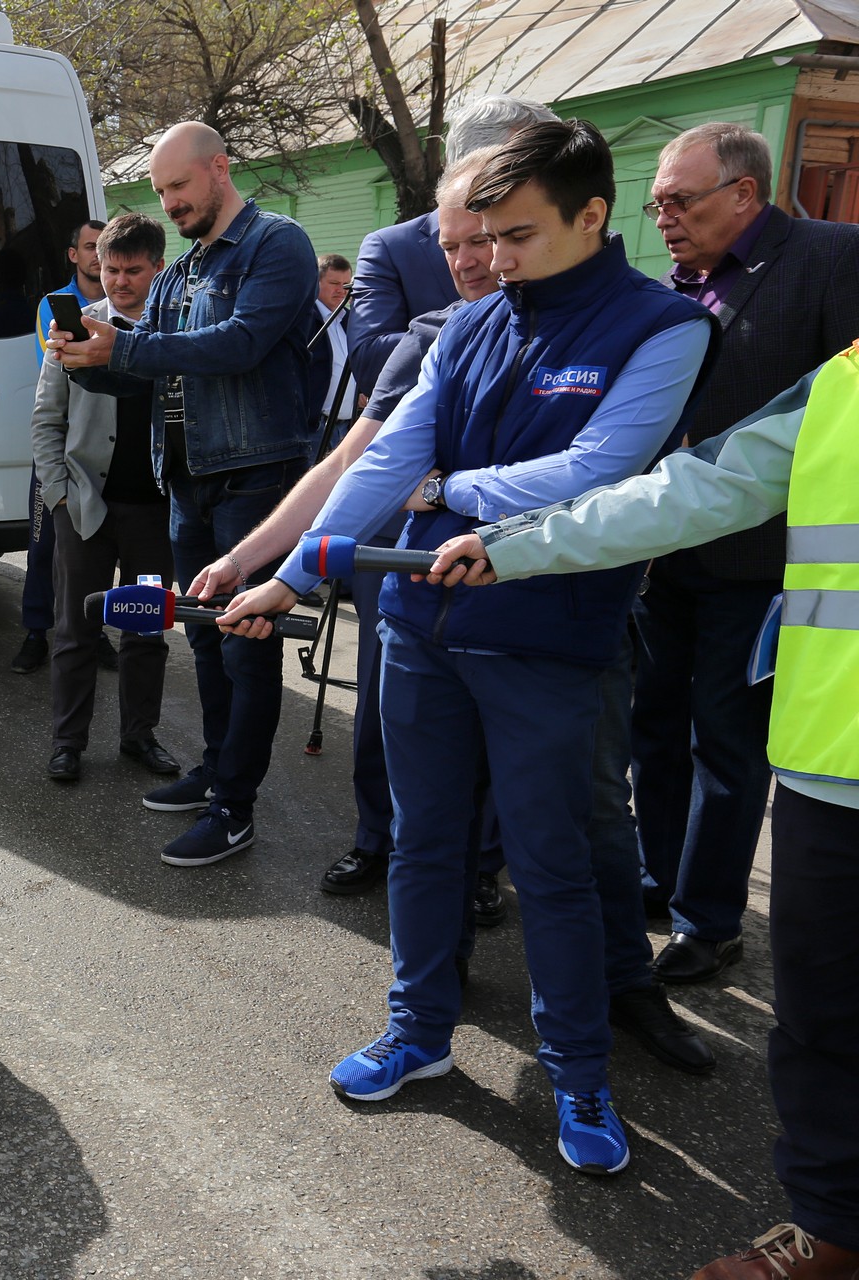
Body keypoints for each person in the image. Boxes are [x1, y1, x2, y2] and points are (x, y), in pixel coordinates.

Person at [219, 120, 715, 1172]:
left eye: (519, 235)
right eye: (483, 235)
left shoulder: (662, 326)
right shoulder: (472, 324)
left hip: (546, 641)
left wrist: (448, 490)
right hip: (419, 633)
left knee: (554, 865)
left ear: (594, 216)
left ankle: (579, 1073)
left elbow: (601, 469)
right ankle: (420, 1033)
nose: (494, 258)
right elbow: (386, 457)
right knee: (425, 844)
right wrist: (295, 572)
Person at [424, 345, 859, 1277]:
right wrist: (517, 544)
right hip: (837, 767)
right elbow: (690, 491)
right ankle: (831, 1231)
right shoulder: (843, 379)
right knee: (824, 1016)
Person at [316, 94, 560, 919]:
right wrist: (451, 328)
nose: (479, 252)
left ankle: (480, 866)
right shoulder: (397, 249)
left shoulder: (569, 278)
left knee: (489, 710)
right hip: (400, 516)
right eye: (465, 236)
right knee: (389, 700)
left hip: (508, 526)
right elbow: (375, 349)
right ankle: (377, 836)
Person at [51, 121, 318, 868]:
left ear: (221, 169)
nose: (168, 203)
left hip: (254, 479)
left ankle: (236, 807)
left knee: (245, 649)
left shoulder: (277, 244)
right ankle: (215, 769)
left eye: (179, 186)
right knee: (203, 640)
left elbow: (240, 344)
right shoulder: (179, 273)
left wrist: (124, 345)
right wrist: (82, 361)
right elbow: (149, 370)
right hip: (187, 482)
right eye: (161, 191)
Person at [628, 122, 859, 984]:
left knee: (725, 744)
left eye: (681, 200)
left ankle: (707, 919)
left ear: (745, 194)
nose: (668, 217)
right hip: (667, 553)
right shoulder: (678, 284)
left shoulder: (833, 260)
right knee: (654, 726)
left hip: (762, 563)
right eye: (659, 203)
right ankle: (660, 876)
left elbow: (839, 421)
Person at [34, 213, 179, 784]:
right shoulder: (74, 328)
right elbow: (46, 419)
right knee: (75, 630)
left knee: (145, 630)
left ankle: (139, 737)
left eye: (132, 270)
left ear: (157, 268)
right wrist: (59, 495)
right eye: (109, 269)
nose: (119, 281)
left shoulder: (179, 330)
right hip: (85, 508)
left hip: (155, 513)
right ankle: (67, 743)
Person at [345, 95, 559, 395]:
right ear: (474, 164)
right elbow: (371, 362)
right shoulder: (392, 248)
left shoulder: (559, 238)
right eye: (524, 165)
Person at [14, 219, 111, 677]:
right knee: (43, 545)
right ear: (73, 254)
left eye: (103, 247)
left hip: (106, 446)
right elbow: (56, 366)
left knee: (100, 544)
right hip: (59, 445)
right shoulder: (54, 306)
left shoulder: (126, 304)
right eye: (89, 247)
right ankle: (36, 632)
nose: (97, 255)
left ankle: (101, 630)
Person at [311, 253, 358, 441]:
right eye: (334, 283)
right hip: (316, 428)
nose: (342, 290)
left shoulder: (349, 320)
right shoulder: (304, 318)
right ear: (316, 282)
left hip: (346, 428)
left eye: (346, 284)